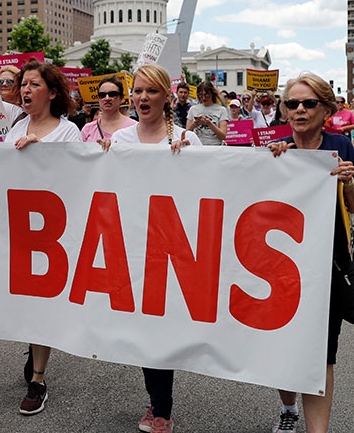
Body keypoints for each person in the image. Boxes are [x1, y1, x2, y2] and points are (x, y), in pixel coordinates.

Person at [98, 64, 200, 433]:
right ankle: (158, 402)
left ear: (166, 97)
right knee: (145, 329)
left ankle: (161, 408)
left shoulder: (187, 139)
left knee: (162, 327)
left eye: (152, 91)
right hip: (132, 247)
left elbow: (206, 192)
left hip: (172, 250)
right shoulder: (120, 140)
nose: (143, 97)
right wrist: (102, 159)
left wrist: (189, 163)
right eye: (138, 91)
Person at [265, 72, 354, 433]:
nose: (299, 110)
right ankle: (288, 408)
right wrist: (269, 164)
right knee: (283, 345)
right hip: (279, 265)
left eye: (309, 103)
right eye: (292, 103)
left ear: (326, 109)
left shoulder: (340, 146)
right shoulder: (274, 149)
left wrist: (349, 183)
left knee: (322, 353)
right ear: (284, 110)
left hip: (327, 265)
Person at [5, 59, 82, 416]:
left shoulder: (68, 133)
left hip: (52, 235)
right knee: (25, 303)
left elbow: (76, 181)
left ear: (51, 93)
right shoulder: (14, 128)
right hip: (18, 228)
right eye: (23, 84)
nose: (25, 89)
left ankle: (38, 379)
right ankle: (35, 346)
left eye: (34, 84)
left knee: (43, 305)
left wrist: (43, 156)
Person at [80, 75, 136, 142]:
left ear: (122, 98)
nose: (107, 98)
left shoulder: (134, 127)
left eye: (112, 94)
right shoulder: (87, 129)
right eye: (102, 95)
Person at [186, 81, 227, 145]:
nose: (204, 98)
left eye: (207, 95)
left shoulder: (221, 110)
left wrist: (210, 124)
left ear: (212, 94)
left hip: (214, 147)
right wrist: (194, 124)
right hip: (197, 147)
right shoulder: (193, 109)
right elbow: (186, 134)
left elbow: (223, 136)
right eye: (201, 95)